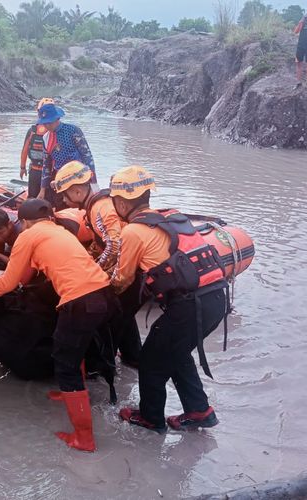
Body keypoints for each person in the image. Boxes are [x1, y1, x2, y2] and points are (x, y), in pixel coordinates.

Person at [0, 199, 119, 452]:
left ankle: (84, 438)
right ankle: (69, 393)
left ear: (24, 222)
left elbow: (7, 284)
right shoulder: (60, 232)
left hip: (79, 301)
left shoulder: (27, 236)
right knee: (77, 348)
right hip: (104, 294)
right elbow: (27, 273)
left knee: (65, 364)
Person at [108, 166, 228, 433]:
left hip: (188, 306)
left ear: (122, 201)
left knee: (151, 358)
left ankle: (151, 418)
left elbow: (122, 279)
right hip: (216, 298)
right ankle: (200, 411)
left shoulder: (133, 232)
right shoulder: (171, 217)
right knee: (175, 352)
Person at [53, 161, 142, 368]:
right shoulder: (97, 205)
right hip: (131, 267)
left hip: (127, 270)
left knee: (113, 319)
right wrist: (85, 258)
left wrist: (95, 270)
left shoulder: (99, 207)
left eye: (65, 195)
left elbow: (114, 244)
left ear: (76, 190)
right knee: (124, 316)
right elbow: (100, 242)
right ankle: (132, 357)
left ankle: (105, 366)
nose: (64, 200)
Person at [36, 104, 96, 208]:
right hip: (58, 178)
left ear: (57, 119)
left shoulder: (73, 130)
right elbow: (46, 164)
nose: (46, 126)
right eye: (44, 123)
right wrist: (42, 189)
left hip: (78, 176)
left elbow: (87, 155)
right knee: (61, 207)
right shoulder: (46, 138)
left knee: (81, 206)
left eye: (49, 123)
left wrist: (93, 181)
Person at [19, 98, 53, 199]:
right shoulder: (53, 130)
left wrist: (22, 167)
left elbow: (25, 150)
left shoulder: (33, 130)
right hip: (48, 173)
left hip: (34, 171)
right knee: (48, 199)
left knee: (32, 197)